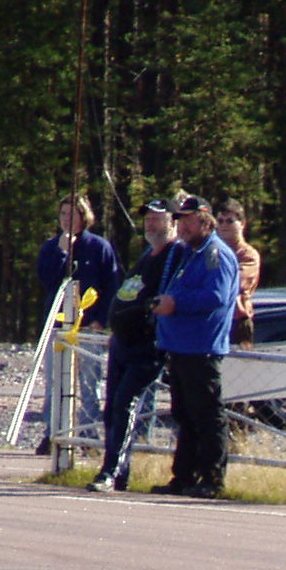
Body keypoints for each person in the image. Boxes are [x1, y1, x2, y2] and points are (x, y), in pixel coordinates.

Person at [152, 193, 239, 498]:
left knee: (206, 415)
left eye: (187, 220)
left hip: (201, 347)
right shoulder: (190, 253)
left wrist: (175, 303)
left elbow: (216, 297)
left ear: (204, 220)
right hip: (180, 347)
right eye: (179, 220)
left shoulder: (215, 254)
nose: (182, 226)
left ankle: (212, 479)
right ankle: (184, 476)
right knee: (184, 415)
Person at [88, 199, 175, 493]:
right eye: (149, 219)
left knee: (126, 403)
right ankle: (119, 471)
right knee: (112, 406)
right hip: (122, 342)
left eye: (158, 219)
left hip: (147, 346)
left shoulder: (175, 256)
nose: (151, 224)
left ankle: (111, 471)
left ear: (172, 222)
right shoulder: (148, 256)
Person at [33, 194, 121, 455]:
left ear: (84, 217)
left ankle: (88, 432)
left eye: (72, 215)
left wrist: (100, 320)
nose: (67, 220)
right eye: (63, 214)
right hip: (58, 325)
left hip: (87, 325)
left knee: (89, 382)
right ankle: (53, 432)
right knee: (54, 380)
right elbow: (47, 279)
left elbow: (111, 285)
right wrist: (62, 252)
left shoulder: (99, 247)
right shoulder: (51, 247)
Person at [216, 201, 263, 347]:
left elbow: (234, 284)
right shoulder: (212, 251)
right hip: (215, 318)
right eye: (220, 221)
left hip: (238, 320)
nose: (224, 225)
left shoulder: (248, 255)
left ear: (242, 223)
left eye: (230, 221)